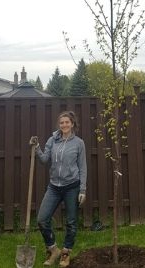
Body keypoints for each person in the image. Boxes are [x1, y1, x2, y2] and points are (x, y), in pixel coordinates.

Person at [30, 111, 87, 267]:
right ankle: (53, 248)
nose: (64, 125)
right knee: (42, 219)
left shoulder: (78, 143)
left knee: (71, 222)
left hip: (72, 187)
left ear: (72, 124)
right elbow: (44, 160)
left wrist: (82, 190)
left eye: (67, 122)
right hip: (54, 187)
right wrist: (37, 147)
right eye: (61, 123)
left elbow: (83, 167)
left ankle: (66, 252)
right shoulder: (52, 140)